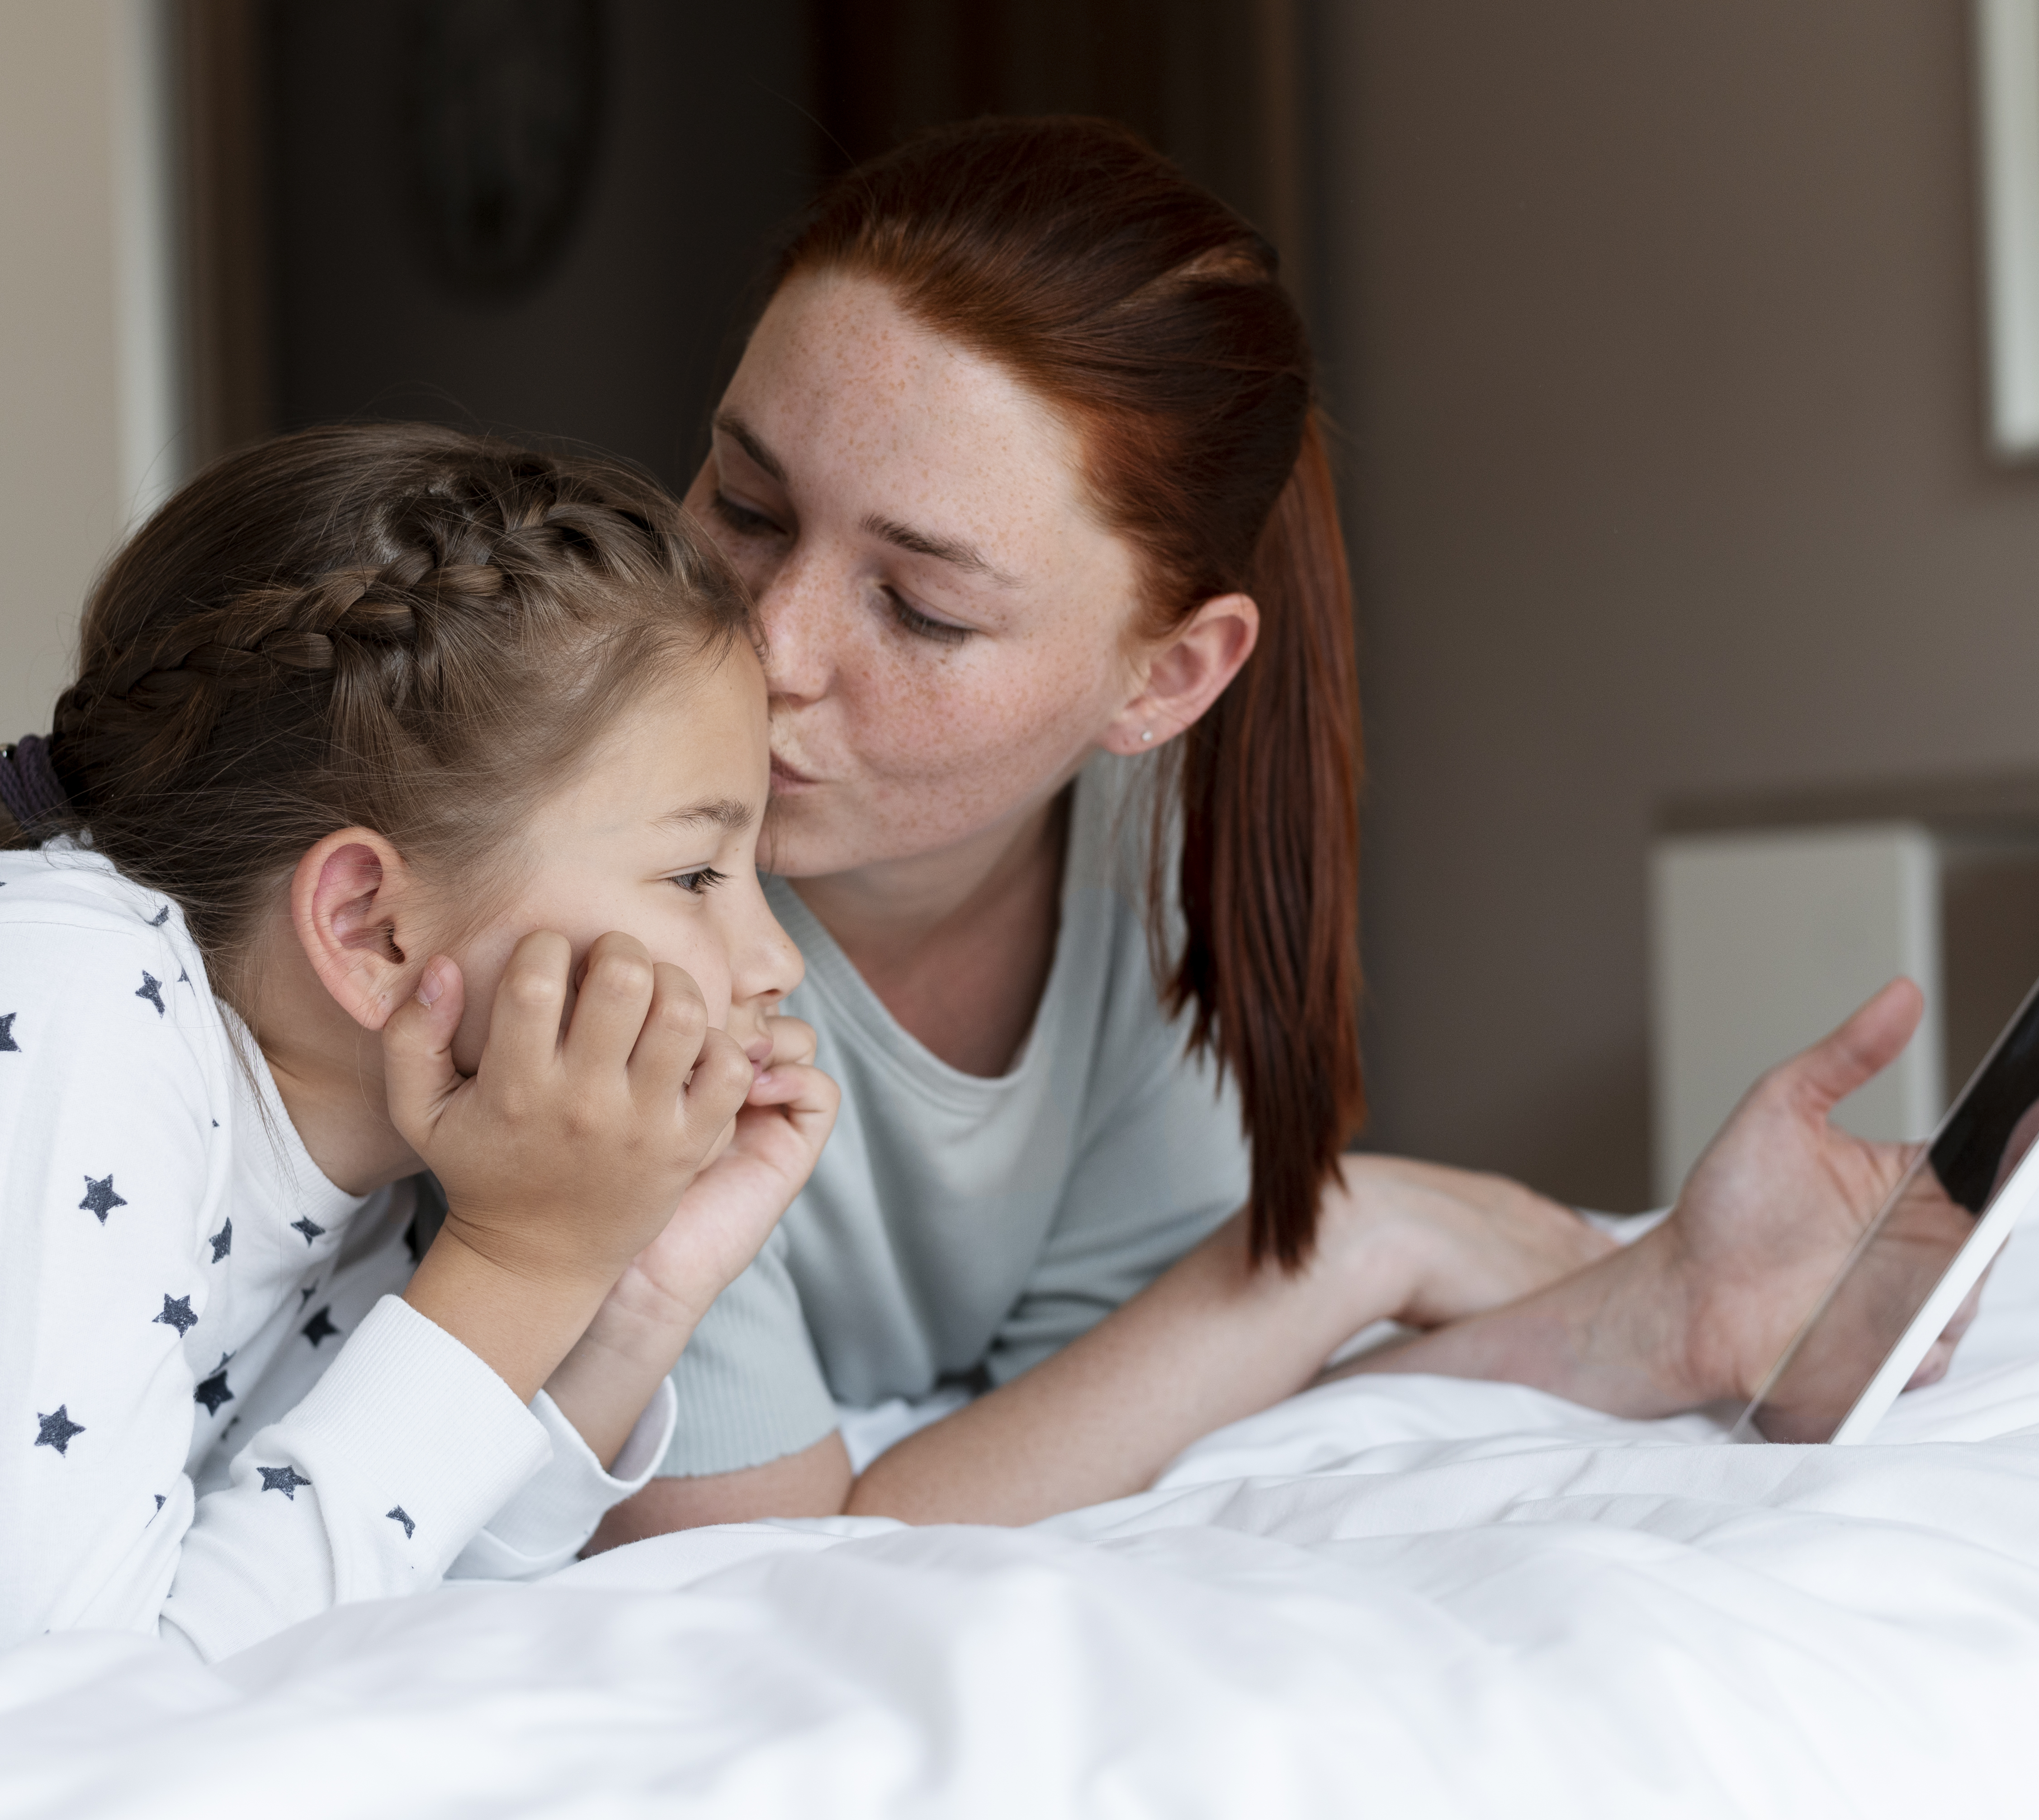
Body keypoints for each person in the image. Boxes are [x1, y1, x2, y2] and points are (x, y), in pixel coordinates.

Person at [598, 117, 1935, 1543]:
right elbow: (764, 1559)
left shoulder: (1157, 851)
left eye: (921, 610)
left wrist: (1652, 1321)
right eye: (747, 506)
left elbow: (1095, 1424)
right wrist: (1350, 1241)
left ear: (1166, 681)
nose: (769, 644)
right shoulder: (575, 887)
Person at [0, 425, 835, 1662]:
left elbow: (381, 1578)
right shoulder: (52, 1006)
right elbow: (71, 1693)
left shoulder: (365, 1150)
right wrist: (522, 1268)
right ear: (371, 925)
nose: (773, 961)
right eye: (695, 872)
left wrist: (628, 1287)